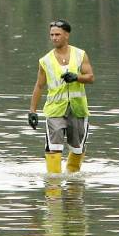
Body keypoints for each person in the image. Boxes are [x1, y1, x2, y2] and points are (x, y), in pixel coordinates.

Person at [28, 19, 95, 174]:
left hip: (78, 110)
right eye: (51, 35)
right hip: (55, 111)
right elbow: (39, 86)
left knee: (78, 149)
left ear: (66, 35)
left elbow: (90, 77)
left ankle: (73, 185)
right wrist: (32, 111)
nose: (54, 38)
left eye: (57, 34)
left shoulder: (80, 55)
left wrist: (76, 77)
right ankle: (53, 188)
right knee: (53, 148)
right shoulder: (45, 60)